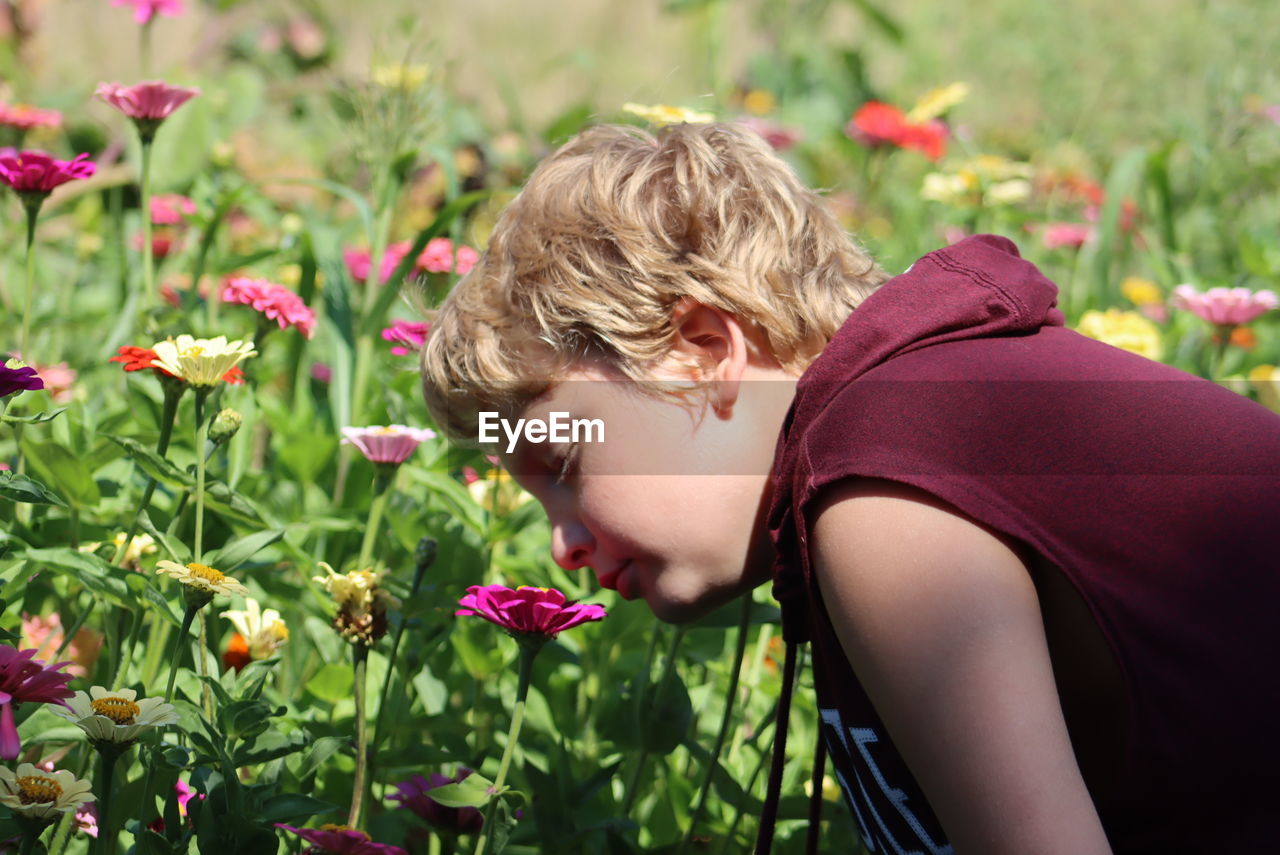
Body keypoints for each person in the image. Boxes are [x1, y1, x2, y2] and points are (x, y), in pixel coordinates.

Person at [419, 121, 1280, 854]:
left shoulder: (884, 484)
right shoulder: (899, 431)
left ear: (704, 351)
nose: (561, 543)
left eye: (566, 465)